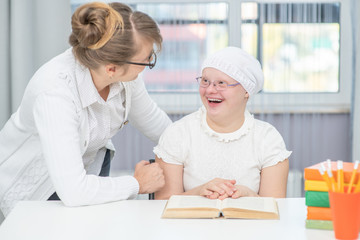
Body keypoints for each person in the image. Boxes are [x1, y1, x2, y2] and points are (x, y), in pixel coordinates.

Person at [0, 2, 171, 217]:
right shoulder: (55, 91)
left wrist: (198, 145)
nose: (148, 64)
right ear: (111, 69)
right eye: (146, 60)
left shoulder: (126, 76)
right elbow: (74, 191)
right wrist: (136, 183)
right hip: (36, 194)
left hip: (86, 174)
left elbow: (156, 123)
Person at [154, 47, 291, 200]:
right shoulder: (178, 133)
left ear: (246, 91)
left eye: (221, 83)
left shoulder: (267, 139)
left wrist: (248, 195)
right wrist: (199, 191)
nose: (210, 90)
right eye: (205, 81)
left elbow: (276, 209)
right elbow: (162, 204)